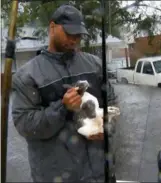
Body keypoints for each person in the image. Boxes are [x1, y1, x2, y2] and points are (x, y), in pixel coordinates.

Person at [12, 4, 118, 183]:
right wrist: (62, 107)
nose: (74, 40)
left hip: (102, 173)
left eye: (78, 35)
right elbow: (25, 125)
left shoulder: (95, 65)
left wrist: (107, 126)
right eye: (69, 33)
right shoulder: (27, 75)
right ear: (52, 27)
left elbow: (112, 101)